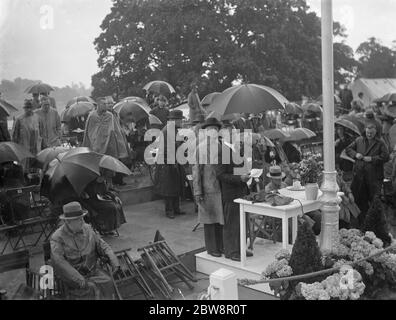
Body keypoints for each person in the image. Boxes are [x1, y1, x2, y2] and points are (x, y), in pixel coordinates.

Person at [50, 202, 120, 300]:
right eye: (78, 219)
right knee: (89, 288)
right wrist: (79, 279)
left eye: (82, 217)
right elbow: (59, 262)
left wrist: (113, 260)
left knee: (108, 281)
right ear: (68, 222)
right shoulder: (57, 238)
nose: (82, 221)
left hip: (92, 271)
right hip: (73, 276)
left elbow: (102, 245)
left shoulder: (88, 228)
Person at [346, 120, 389, 226]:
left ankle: (379, 225)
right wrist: (355, 155)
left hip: (374, 178)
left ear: (375, 133)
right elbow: (348, 149)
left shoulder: (380, 142)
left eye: (372, 133)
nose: (369, 135)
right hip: (360, 177)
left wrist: (372, 159)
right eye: (368, 132)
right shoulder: (359, 140)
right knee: (361, 201)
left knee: (375, 202)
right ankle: (363, 224)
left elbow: (386, 156)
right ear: (365, 131)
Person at [192, 118, 224, 257]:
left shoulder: (222, 146)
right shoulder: (200, 148)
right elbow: (196, 170)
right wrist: (198, 191)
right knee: (209, 220)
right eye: (210, 129)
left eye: (215, 129)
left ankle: (221, 246)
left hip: (221, 188)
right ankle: (211, 248)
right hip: (207, 189)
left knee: (220, 219)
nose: (213, 132)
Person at [216, 140, 252, 262]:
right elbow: (220, 174)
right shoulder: (223, 152)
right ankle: (231, 251)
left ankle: (241, 248)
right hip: (231, 193)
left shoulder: (236, 150)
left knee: (242, 222)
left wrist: (247, 174)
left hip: (241, 191)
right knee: (232, 223)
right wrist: (239, 178)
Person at [154, 110, 186, 219]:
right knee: (169, 188)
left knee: (176, 186)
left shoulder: (174, 130)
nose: (181, 121)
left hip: (174, 161)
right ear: (174, 120)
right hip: (167, 163)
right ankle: (169, 210)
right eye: (180, 120)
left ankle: (176, 208)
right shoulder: (168, 130)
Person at [80, 170, 126, 236]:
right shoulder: (90, 183)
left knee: (117, 204)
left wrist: (114, 197)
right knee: (110, 207)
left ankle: (113, 226)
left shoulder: (102, 183)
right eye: (101, 178)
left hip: (101, 199)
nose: (102, 179)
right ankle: (105, 228)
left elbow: (106, 192)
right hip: (92, 201)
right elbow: (88, 195)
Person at [12, 100, 43, 168]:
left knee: (35, 167)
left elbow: (41, 132)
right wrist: (15, 148)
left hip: (35, 148)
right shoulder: (19, 119)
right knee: (23, 167)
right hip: (23, 147)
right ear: (24, 108)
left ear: (32, 108)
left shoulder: (37, 118)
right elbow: (14, 135)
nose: (29, 109)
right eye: (27, 108)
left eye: (30, 107)